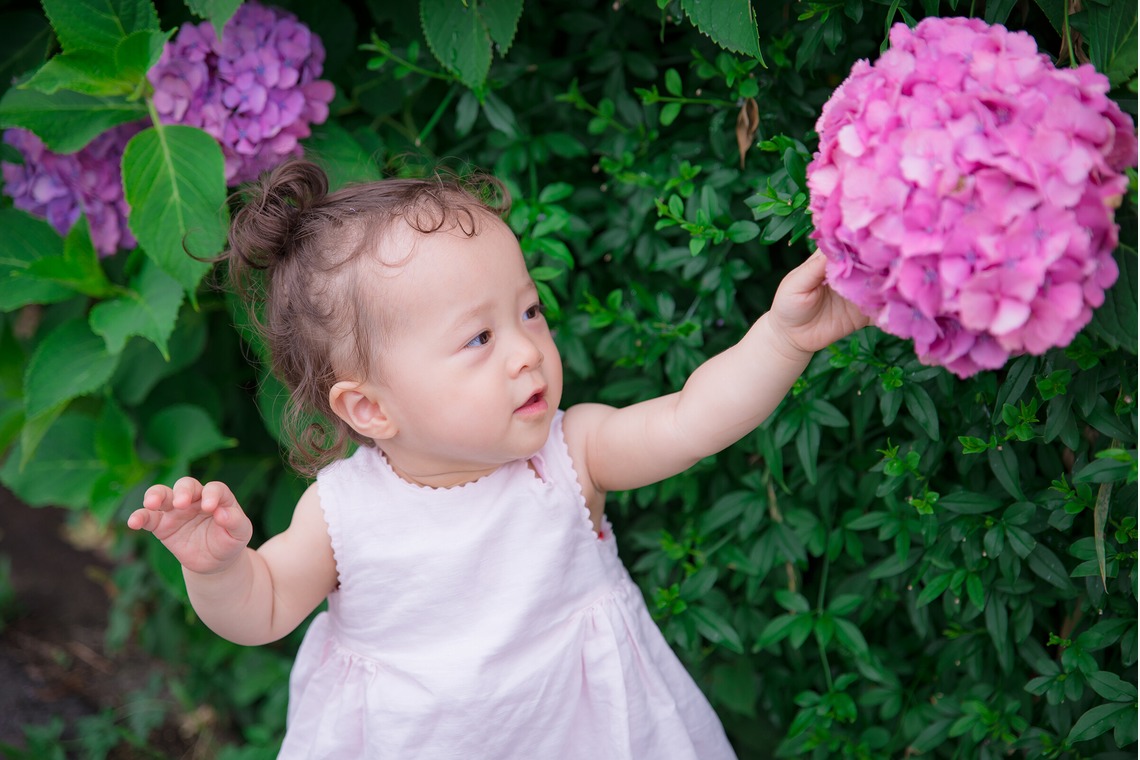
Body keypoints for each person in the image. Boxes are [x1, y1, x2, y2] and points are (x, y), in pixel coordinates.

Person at [127, 158, 868, 759]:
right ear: (369, 408)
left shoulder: (572, 455)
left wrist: (782, 339)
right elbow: (261, 610)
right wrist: (220, 569)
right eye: (478, 340)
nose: (526, 352)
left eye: (529, 311)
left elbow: (692, 419)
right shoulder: (343, 514)